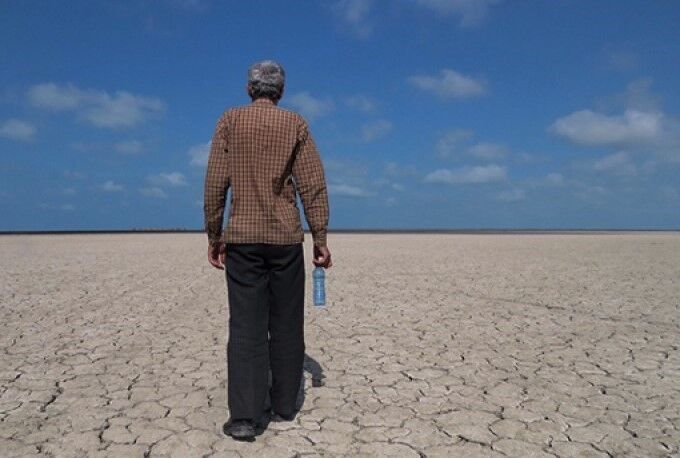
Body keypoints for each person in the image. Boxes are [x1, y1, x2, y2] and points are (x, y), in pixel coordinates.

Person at [203, 60, 332, 441]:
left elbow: (214, 183)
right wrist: (320, 238)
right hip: (286, 239)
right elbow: (313, 185)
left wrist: (214, 235)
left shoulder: (230, 120)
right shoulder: (296, 124)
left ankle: (245, 416)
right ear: (281, 92)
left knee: (246, 326)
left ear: (249, 89)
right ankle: (284, 405)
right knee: (287, 322)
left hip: (242, 239)